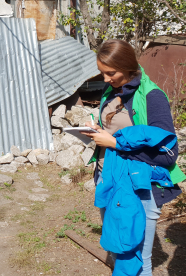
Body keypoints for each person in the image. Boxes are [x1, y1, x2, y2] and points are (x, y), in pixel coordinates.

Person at [82, 40, 183, 275]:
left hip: (139, 189)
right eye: (102, 73)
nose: (105, 79)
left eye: (111, 73)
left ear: (128, 66)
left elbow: (168, 154)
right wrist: (99, 131)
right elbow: (120, 129)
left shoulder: (152, 97)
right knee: (120, 249)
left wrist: (115, 143)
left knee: (138, 259)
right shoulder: (113, 90)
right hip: (111, 180)